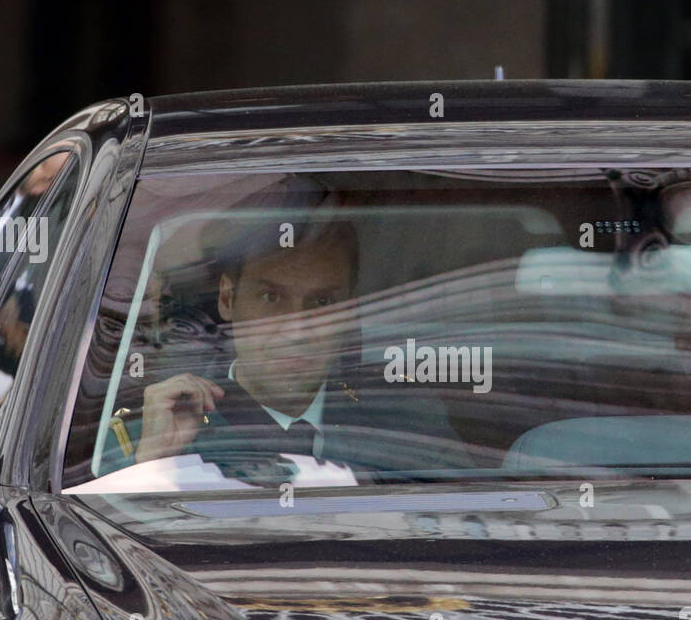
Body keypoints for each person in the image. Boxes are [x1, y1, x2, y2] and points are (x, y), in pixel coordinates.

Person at [116, 206, 475, 483]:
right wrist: (154, 466)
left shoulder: (408, 421)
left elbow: (469, 528)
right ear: (227, 298)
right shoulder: (160, 425)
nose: (296, 331)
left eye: (321, 304)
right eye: (271, 297)